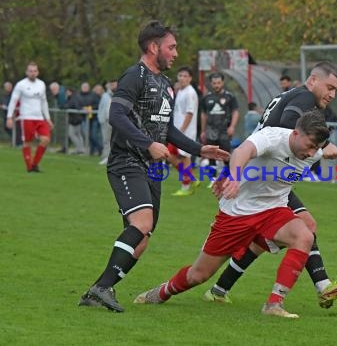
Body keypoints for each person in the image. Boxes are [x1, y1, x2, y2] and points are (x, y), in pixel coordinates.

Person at [78, 20, 229, 313]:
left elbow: (166, 128)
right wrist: (147, 143)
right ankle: (101, 288)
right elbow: (116, 115)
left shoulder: (164, 83)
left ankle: (97, 290)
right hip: (127, 161)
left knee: (142, 239)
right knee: (142, 224)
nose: (175, 53)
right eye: (171, 47)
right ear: (153, 47)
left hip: (153, 169)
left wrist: (198, 148)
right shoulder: (135, 76)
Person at [134, 110, 332, 318]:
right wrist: (234, 177)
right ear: (295, 133)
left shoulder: (313, 155)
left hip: (274, 211)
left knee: (304, 236)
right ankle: (162, 292)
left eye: (316, 148)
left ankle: (274, 304)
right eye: (310, 145)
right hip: (237, 214)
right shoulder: (272, 137)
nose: (312, 153)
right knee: (199, 275)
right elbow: (242, 152)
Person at [203, 61, 337, 309]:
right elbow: (289, 125)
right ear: (313, 80)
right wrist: (321, 146)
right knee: (303, 227)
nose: (332, 94)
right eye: (329, 87)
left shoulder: (294, 94)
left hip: (261, 174)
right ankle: (322, 287)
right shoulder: (306, 98)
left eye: (336, 90)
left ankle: (219, 290)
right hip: (265, 177)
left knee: (265, 240)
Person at [6, 62, 53, 172]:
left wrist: (48, 118)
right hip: (27, 117)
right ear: (26, 72)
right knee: (28, 142)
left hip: (40, 118)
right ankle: (29, 167)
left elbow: (44, 102)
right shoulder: (21, 84)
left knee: (45, 139)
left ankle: (35, 164)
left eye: (35, 71)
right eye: (30, 71)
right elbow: (13, 101)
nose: (32, 73)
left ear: (38, 72)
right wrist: (9, 117)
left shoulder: (41, 84)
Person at [200, 72, 239, 186]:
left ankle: (228, 178)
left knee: (226, 154)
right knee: (211, 154)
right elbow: (203, 114)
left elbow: (235, 112)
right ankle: (212, 180)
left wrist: (232, 126)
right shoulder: (206, 98)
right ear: (211, 84)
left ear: (222, 83)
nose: (216, 85)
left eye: (218, 83)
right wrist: (203, 130)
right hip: (210, 130)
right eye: (214, 83)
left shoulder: (230, 97)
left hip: (224, 130)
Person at [168, 66, 201, 196]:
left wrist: (182, 130)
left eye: (185, 76)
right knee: (171, 156)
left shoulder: (190, 93)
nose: (182, 78)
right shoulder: (181, 91)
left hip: (185, 131)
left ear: (190, 78)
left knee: (184, 157)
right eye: (180, 75)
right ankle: (191, 179)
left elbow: (190, 113)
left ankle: (186, 186)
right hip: (177, 130)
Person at [97, 79, 118, 165]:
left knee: (115, 140)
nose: (113, 87)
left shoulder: (120, 95)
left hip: (117, 121)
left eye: (114, 85)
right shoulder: (105, 96)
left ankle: (114, 158)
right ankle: (106, 157)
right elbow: (101, 107)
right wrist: (101, 118)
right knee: (106, 140)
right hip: (106, 121)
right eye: (111, 85)